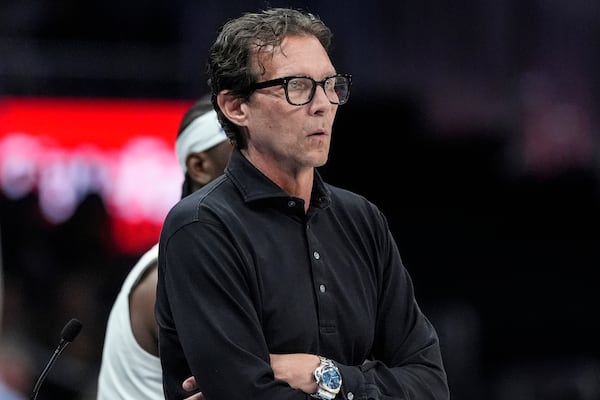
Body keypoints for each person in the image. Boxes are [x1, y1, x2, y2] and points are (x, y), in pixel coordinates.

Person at [156, 7, 449, 400]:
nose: (324, 104)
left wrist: (323, 374)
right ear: (235, 107)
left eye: (331, 84)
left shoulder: (361, 219)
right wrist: (368, 383)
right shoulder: (202, 227)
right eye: (297, 86)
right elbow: (248, 395)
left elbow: (431, 384)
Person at [96, 95, 232, 400]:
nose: (259, 156)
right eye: (240, 142)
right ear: (199, 166)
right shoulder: (175, 271)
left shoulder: (218, 256)